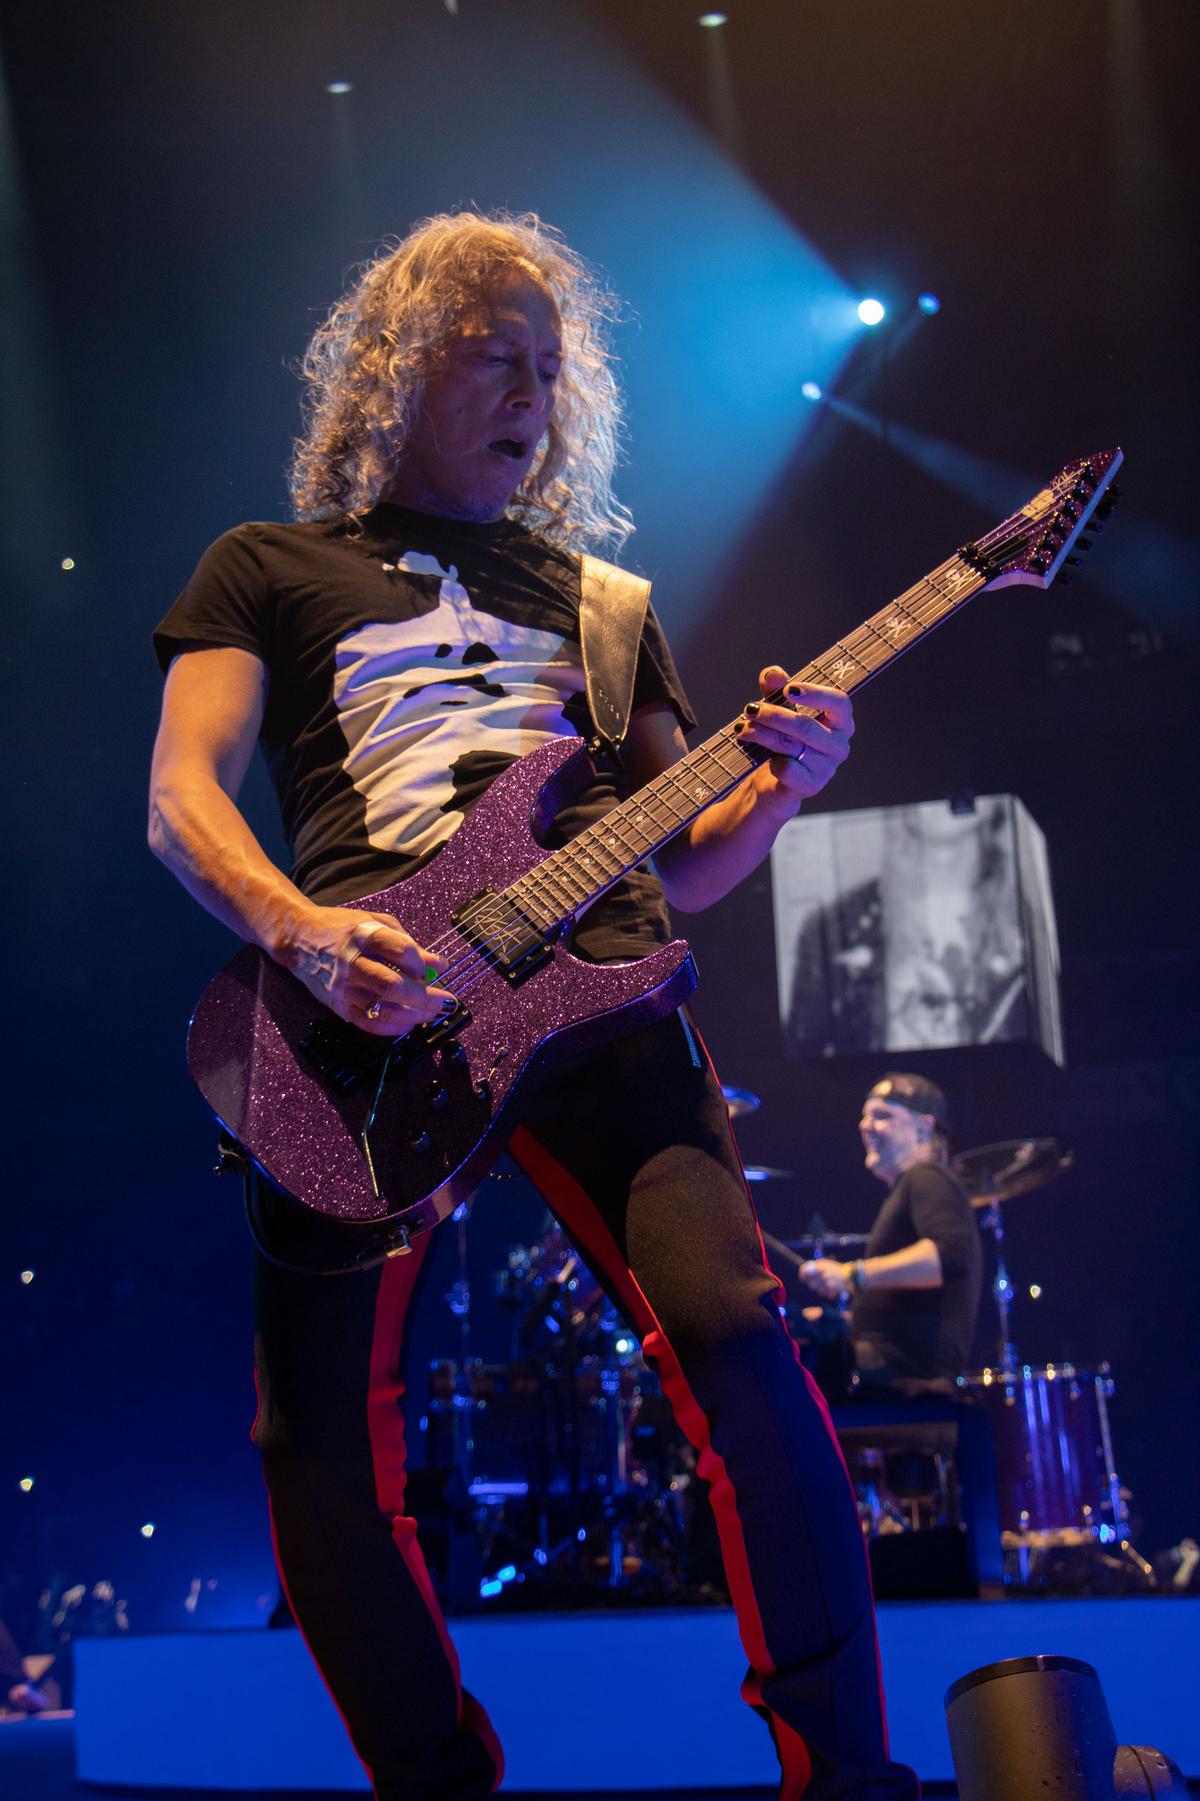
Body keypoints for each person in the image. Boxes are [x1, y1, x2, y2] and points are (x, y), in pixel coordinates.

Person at [149, 209, 916, 1800]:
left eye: (552, 367)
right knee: (315, 1442)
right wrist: (304, 934)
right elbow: (180, 800)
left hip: (607, 996)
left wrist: (785, 786)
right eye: (495, 353)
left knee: (741, 1342)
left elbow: (693, 862)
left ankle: (848, 1777)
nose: (532, 391)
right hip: (366, 1014)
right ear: (391, 367)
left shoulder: (605, 603)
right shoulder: (264, 568)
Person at [801, 1073, 982, 1397]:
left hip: (899, 1372)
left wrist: (851, 1275)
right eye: (865, 1116)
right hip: (886, 1364)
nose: (865, 1126)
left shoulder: (927, 1176)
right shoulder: (911, 1184)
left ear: (924, 1127)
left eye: (882, 1116)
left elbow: (950, 1256)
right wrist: (846, 1319)